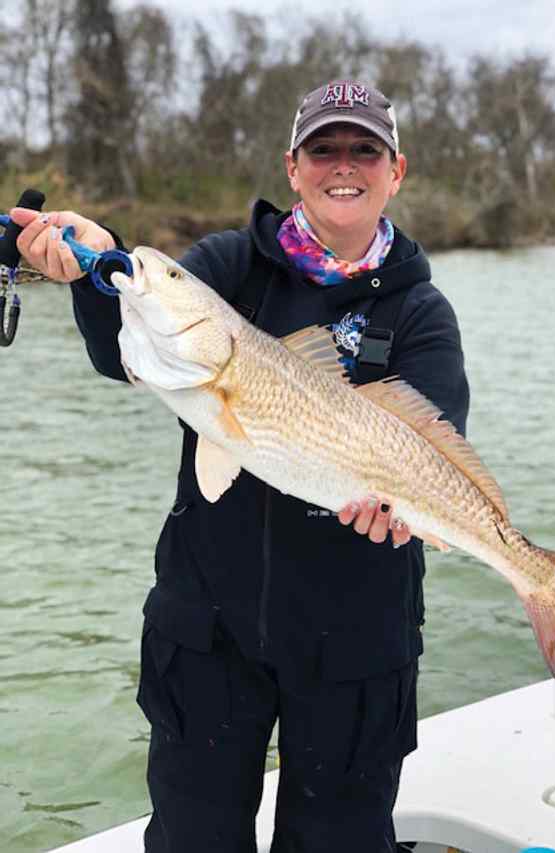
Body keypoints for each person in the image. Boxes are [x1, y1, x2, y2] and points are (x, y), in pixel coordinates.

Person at [12, 80, 469, 853]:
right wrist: (95, 265)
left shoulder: (421, 311)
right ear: (293, 166)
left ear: (398, 171)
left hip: (357, 642)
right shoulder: (228, 264)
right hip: (209, 635)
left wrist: (398, 513)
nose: (343, 165)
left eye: (366, 149)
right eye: (324, 148)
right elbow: (130, 346)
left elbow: (437, 439)